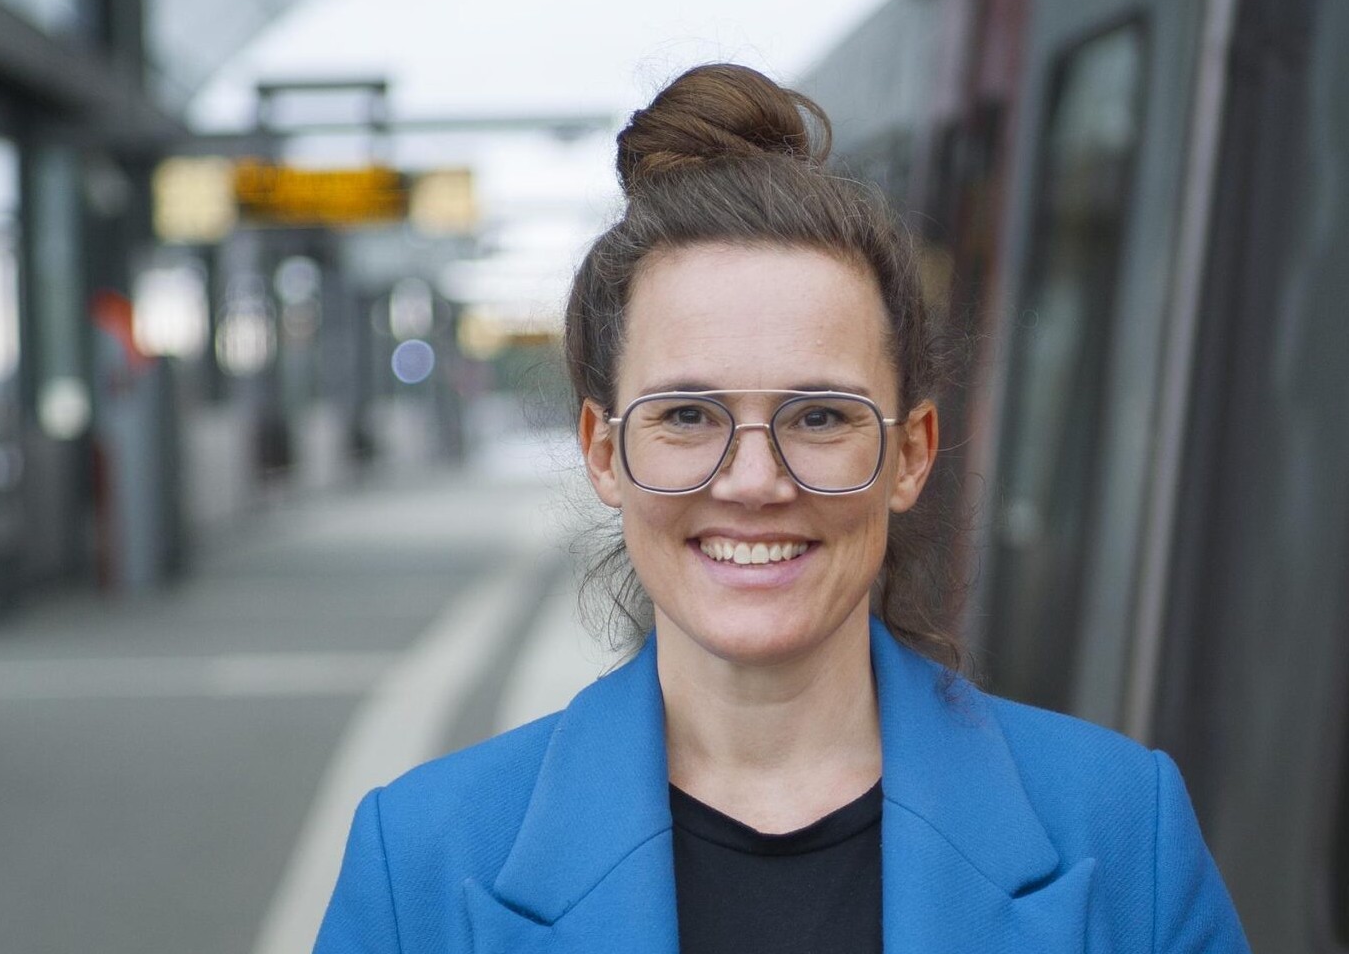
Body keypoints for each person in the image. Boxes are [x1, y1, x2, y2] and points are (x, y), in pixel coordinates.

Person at [314, 63, 1250, 953]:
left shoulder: (1127, 834)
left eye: (818, 415)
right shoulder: (422, 864)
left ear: (910, 454)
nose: (754, 482)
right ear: (604, 452)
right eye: (686, 414)